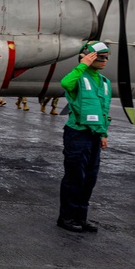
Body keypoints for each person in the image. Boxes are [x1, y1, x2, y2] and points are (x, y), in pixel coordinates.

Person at [57, 41, 112, 233]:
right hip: (77, 134)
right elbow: (65, 83)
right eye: (100, 56)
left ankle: (81, 217)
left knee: (89, 178)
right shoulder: (79, 77)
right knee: (75, 177)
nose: (104, 59)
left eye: (107, 56)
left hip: (94, 136)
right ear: (88, 56)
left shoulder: (105, 82)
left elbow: (104, 110)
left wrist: (103, 133)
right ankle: (66, 217)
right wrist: (83, 64)